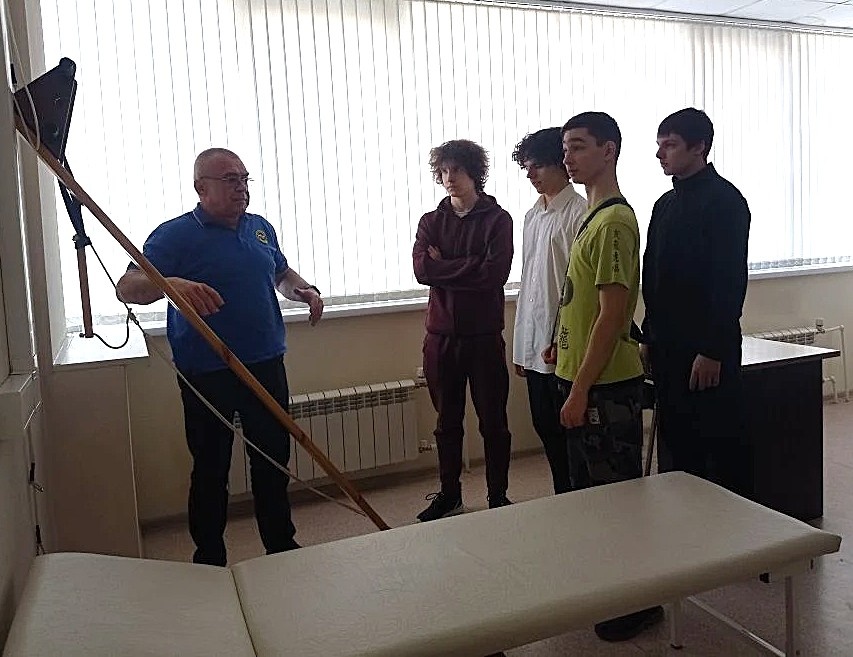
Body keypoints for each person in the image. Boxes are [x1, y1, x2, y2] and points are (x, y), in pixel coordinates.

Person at [116, 147, 324, 566]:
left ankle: (281, 548)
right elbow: (127, 287)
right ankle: (209, 557)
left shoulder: (259, 228)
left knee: (273, 459)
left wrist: (304, 290)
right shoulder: (174, 235)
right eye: (230, 179)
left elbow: (280, 273)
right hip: (206, 370)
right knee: (211, 466)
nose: (241, 187)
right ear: (201, 187)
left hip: (265, 362)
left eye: (244, 179)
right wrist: (171, 283)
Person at [545, 112, 663, 642]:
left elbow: (613, 315)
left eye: (578, 146)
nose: (567, 156)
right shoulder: (591, 216)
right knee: (589, 497)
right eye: (566, 147)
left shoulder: (614, 220)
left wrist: (580, 389)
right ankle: (605, 587)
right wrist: (560, 340)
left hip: (605, 387)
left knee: (616, 499)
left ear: (609, 150)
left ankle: (638, 600)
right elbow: (581, 300)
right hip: (580, 377)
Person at [641, 108, 751, 496]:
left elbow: (728, 281)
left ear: (698, 147)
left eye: (669, 145)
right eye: (659, 145)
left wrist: (712, 349)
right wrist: (648, 335)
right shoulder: (664, 204)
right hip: (667, 346)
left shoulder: (726, 201)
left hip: (706, 349)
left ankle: (729, 527)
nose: (660, 154)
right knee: (678, 446)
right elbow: (653, 276)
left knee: (717, 448)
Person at [412, 139, 514, 521]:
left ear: (475, 172)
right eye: (443, 171)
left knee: (494, 422)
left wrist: (445, 267)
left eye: (456, 169)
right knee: (446, 423)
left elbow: (495, 274)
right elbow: (422, 270)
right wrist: (469, 264)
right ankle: (449, 494)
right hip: (440, 338)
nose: (449, 177)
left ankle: (497, 495)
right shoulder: (430, 221)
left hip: (484, 336)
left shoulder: (497, 219)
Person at [511, 127, 587, 494]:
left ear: (561, 163)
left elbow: (578, 288)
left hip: (563, 344)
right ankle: (562, 496)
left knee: (570, 430)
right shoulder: (532, 215)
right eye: (526, 167)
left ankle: (576, 498)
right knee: (544, 425)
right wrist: (521, 347)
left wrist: (562, 339)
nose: (531, 174)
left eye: (538, 165)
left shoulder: (579, 212)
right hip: (534, 340)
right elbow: (529, 284)